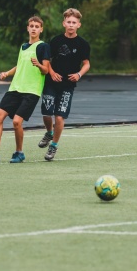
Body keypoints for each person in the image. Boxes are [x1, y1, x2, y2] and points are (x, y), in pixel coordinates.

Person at [0, 16, 51, 163]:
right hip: (15, 88)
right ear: (27, 28)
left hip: (31, 91)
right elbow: (20, 66)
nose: (34, 28)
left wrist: (38, 65)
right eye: (31, 26)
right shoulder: (23, 47)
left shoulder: (43, 46)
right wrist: (7, 73)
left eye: (37, 26)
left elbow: (46, 70)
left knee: (17, 122)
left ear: (41, 29)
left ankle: (19, 153)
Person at [38, 8, 90, 161]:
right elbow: (47, 61)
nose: (71, 25)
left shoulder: (83, 44)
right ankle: (49, 132)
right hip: (51, 82)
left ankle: (53, 146)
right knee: (47, 113)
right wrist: (52, 72)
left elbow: (86, 64)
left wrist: (79, 74)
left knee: (60, 117)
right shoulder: (56, 41)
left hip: (67, 85)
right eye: (69, 22)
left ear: (78, 25)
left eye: (74, 22)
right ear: (64, 23)